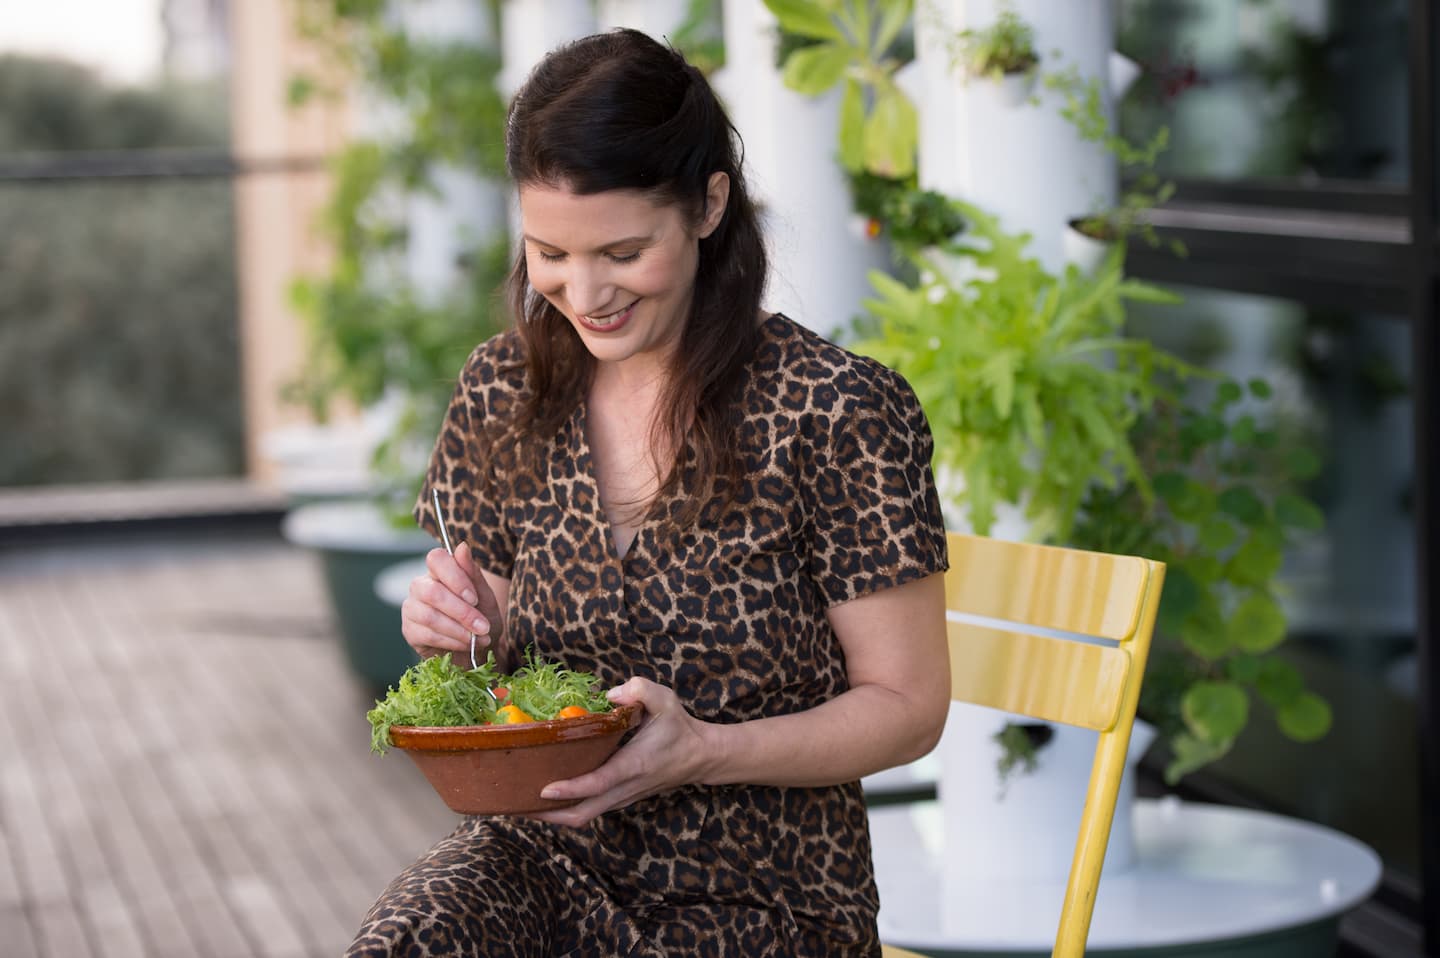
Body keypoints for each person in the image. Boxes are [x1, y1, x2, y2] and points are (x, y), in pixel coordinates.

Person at [347, 27, 950, 958]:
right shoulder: (503, 389)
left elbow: (909, 707)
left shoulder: (836, 410)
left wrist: (705, 747)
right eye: (549, 253)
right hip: (544, 858)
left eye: (623, 253)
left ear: (709, 206)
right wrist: (459, 633)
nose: (582, 293)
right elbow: (491, 669)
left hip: (763, 895)